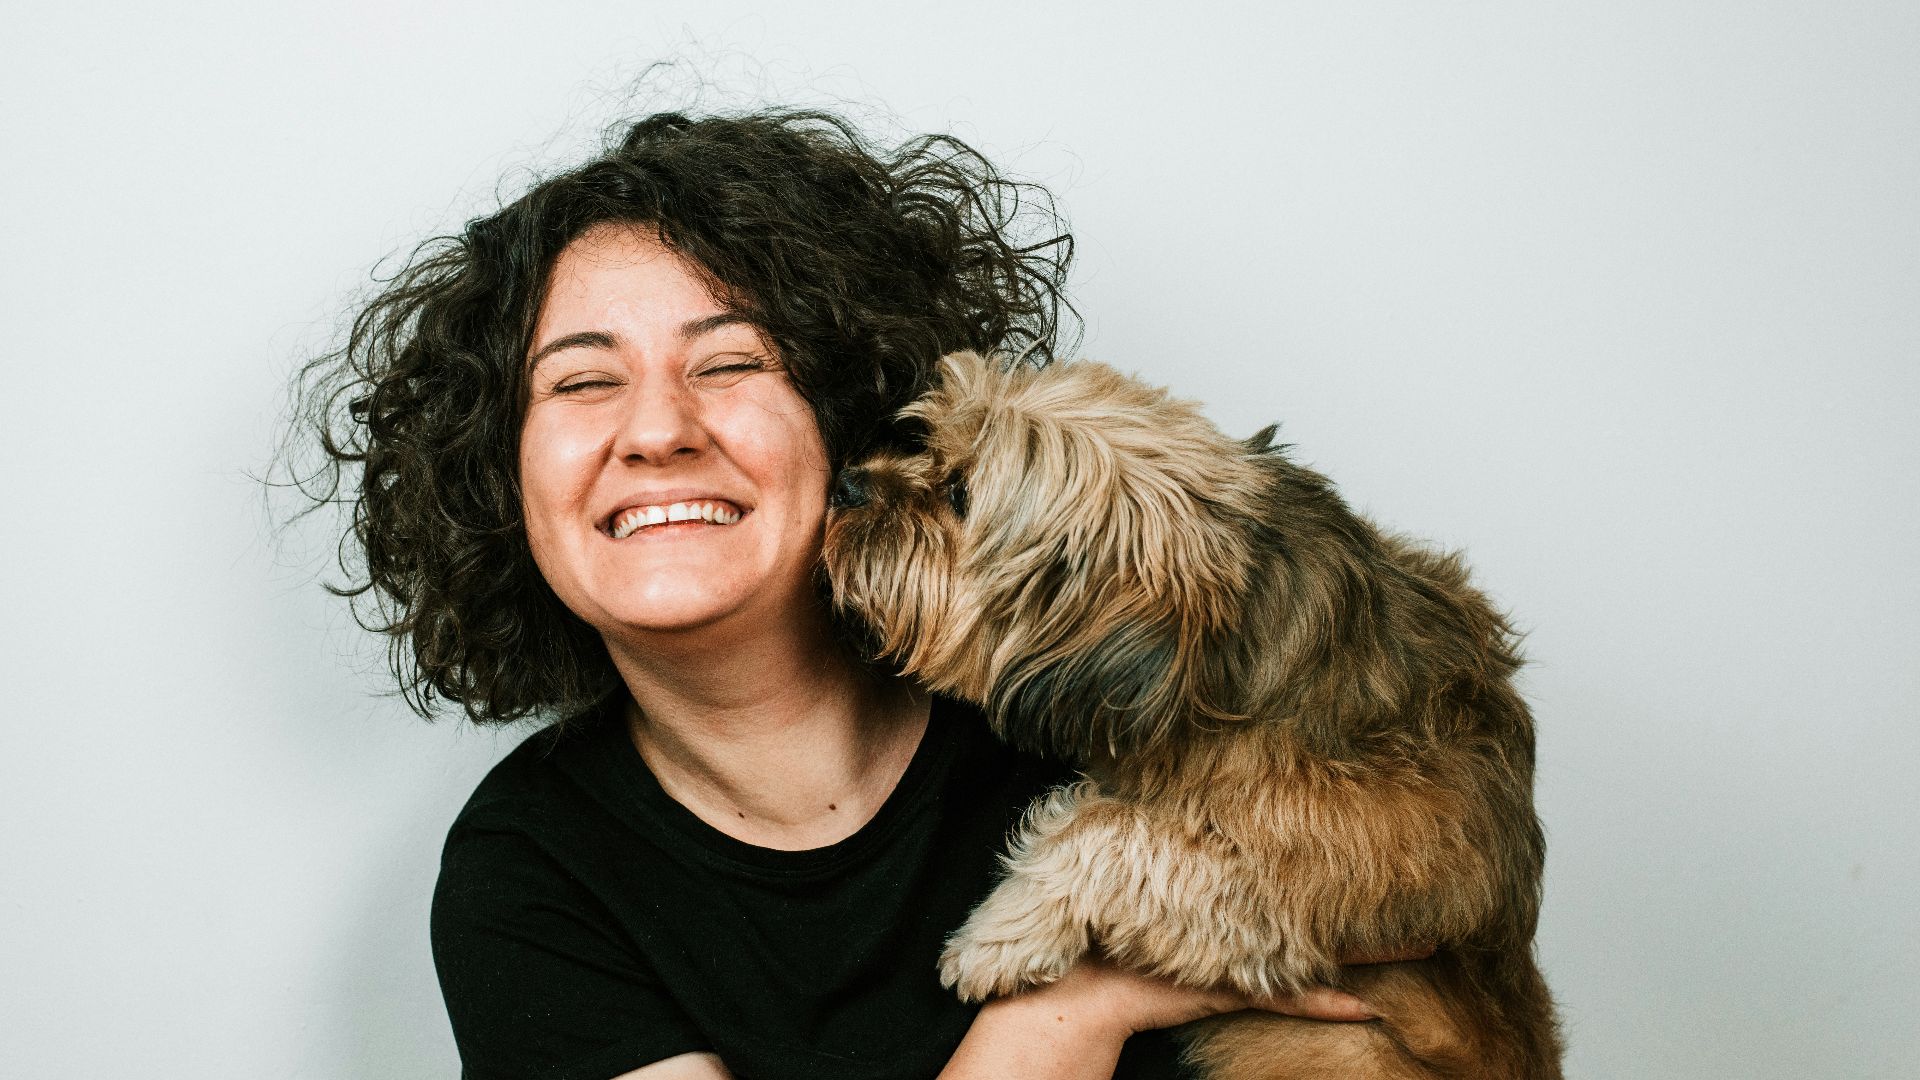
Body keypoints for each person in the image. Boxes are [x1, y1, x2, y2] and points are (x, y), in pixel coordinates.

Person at [297, 107, 1409, 1080]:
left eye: (729, 364)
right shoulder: (528, 875)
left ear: (848, 416)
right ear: (501, 480)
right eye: (583, 382)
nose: (655, 430)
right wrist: (1076, 1007)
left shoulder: (1106, 683)